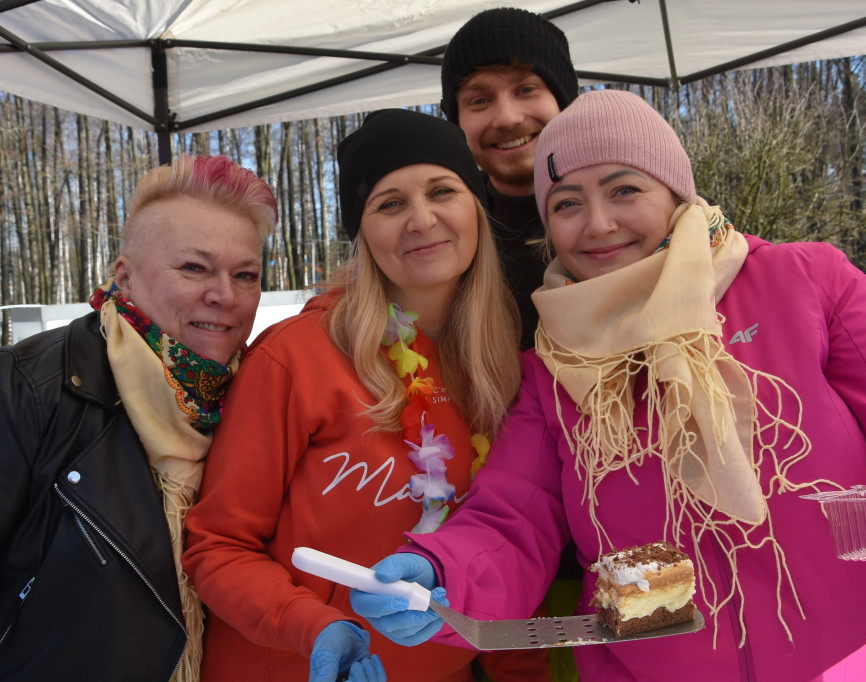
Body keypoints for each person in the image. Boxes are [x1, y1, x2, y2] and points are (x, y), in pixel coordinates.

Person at [349, 90, 866, 681]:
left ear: (675, 192)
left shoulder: (802, 281)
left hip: (859, 654)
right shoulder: (550, 367)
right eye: (567, 203)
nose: (599, 224)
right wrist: (444, 576)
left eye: (624, 189)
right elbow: (513, 518)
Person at [182, 109, 542, 682]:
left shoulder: (502, 370)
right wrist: (312, 626)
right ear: (363, 232)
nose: (421, 219)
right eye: (389, 203)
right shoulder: (296, 357)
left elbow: (503, 553)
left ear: (477, 205)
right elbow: (217, 546)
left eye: (442, 190)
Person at [0, 155, 278, 681]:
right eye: (194, 268)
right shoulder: (26, 390)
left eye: (245, 275)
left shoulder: (260, 398)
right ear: (124, 278)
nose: (224, 295)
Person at [441, 6, 578, 349]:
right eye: (480, 99)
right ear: (457, 122)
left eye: (526, 89)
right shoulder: (443, 244)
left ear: (563, 102)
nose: (506, 117)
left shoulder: (637, 219)